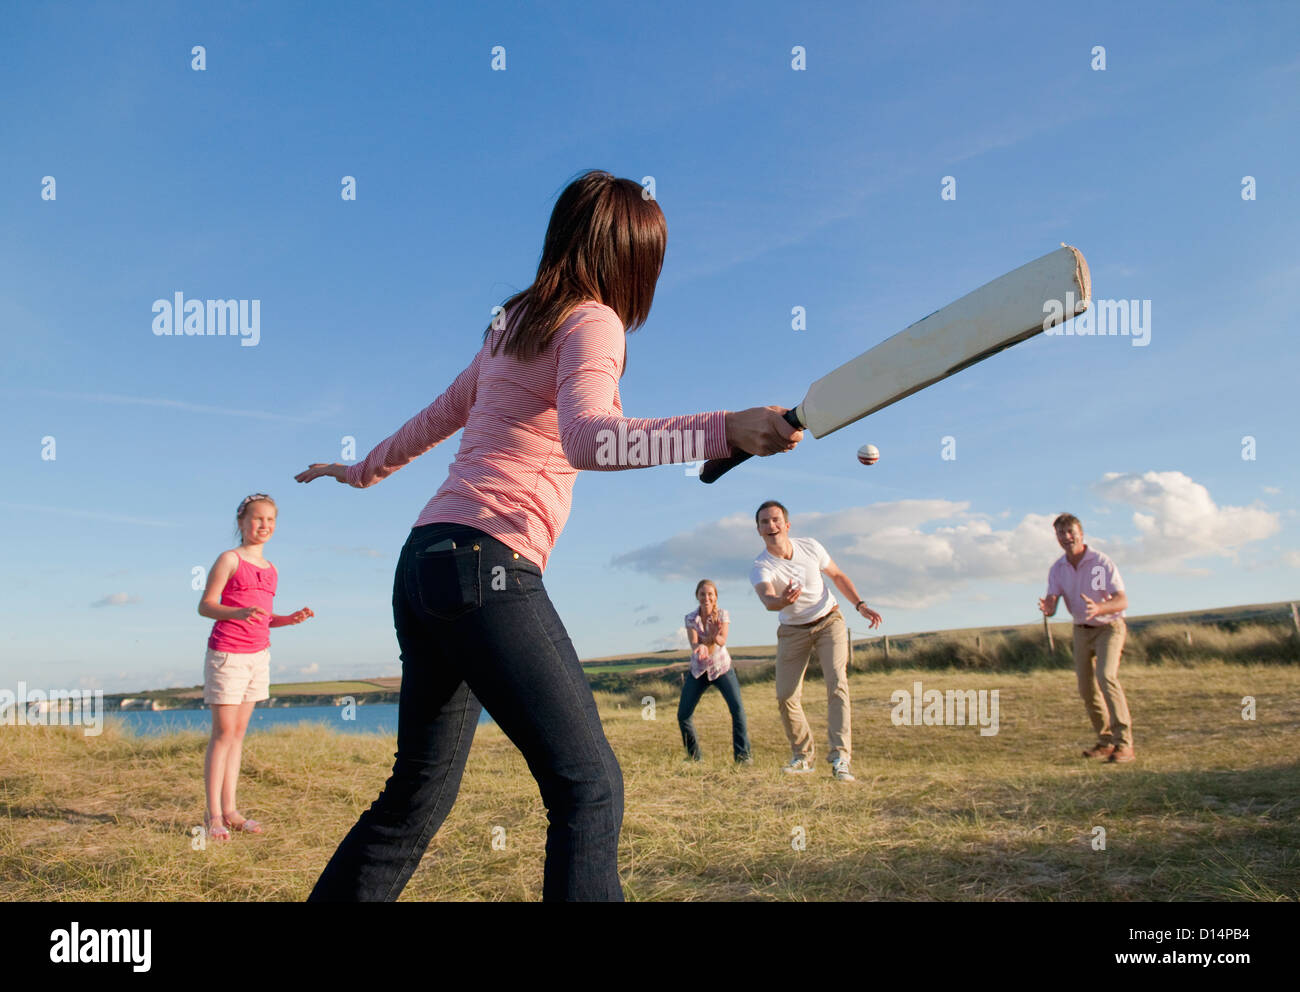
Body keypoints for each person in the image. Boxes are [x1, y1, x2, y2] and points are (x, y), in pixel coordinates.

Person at [295, 171, 802, 901]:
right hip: (486, 569)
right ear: (631, 257)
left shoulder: (514, 322)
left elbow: (438, 414)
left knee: (412, 799)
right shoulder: (591, 322)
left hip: (425, 564)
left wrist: (363, 470)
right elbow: (592, 440)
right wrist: (724, 426)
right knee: (589, 790)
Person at [197, 493, 314, 840]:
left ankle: (231, 811)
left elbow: (262, 619)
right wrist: (237, 613)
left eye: (270, 520)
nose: (264, 525)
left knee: (238, 736)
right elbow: (205, 606)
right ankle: (213, 815)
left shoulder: (272, 568)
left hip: (258, 656)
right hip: (227, 655)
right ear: (241, 523)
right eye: (257, 519)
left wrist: (288, 619)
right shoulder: (229, 559)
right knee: (223, 734)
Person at [750, 500, 881, 782]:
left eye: (775, 520)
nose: (771, 526)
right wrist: (781, 601)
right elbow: (767, 598)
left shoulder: (811, 546)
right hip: (792, 631)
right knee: (786, 696)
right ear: (758, 530)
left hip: (828, 621)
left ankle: (840, 758)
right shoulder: (761, 565)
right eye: (764, 522)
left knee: (837, 683)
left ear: (786, 525)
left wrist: (860, 605)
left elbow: (837, 575)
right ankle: (802, 756)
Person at [1038, 513, 1134, 763]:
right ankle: (1105, 742)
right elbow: (1053, 602)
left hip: (1109, 627)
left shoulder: (1099, 564)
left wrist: (1100, 608)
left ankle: (1124, 745)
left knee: (1106, 676)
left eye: (1071, 531)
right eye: (1061, 533)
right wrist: (1049, 608)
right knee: (1086, 687)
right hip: (1081, 630)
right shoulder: (1058, 569)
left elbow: (1121, 600)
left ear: (1082, 533)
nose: (1066, 537)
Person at [678, 580, 751, 764]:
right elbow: (694, 643)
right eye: (703, 594)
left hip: (721, 668)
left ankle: (743, 757)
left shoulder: (723, 615)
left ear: (716, 596)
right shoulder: (690, 618)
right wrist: (701, 646)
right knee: (683, 715)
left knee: (738, 711)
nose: (706, 598)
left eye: (710, 594)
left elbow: (722, 639)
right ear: (697, 596)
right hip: (699, 670)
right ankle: (695, 758)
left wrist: (713, 636)